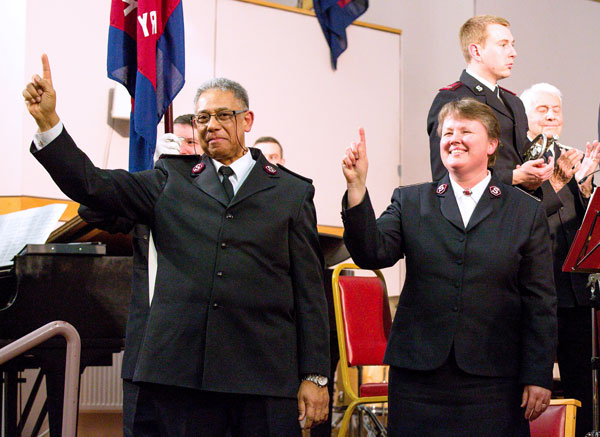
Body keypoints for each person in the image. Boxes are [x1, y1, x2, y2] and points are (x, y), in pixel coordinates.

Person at [23, 54, 330, 436]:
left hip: (263, 377)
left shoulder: (291, 191)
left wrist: (315, 375)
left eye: (223, 115)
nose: (211, 126)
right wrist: (50, 124)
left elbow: (311, 293)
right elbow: (94, 185)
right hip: (187, 380)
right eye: (202, 118)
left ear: (247, 120)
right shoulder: (170, 179)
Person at [342, 98, 557, 436]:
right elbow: (372, 253)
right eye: (448, 132)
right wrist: (356, 189)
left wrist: (538, 375)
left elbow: (540, 301)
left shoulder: (525, 212)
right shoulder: (410, 201)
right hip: (418, 381)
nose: (454, 138)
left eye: (466, 130)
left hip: (494, 382)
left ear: (491, 144)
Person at [520, 82, 600, 437]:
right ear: (526, 117)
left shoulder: (569, 157)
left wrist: (582, 188)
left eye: (556, 110)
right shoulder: (520, 160)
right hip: (539, 291)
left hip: (576, 291)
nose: (551, 116)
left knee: (582, 382)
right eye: (542, 110)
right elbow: (526, 220)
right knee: (532, 383)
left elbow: (578, 228)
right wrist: (557, 183)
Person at [427, 15, 554, 193]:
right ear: (476, 52)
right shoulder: (452, 99)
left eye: (512, 44)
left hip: (519, 206)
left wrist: (544, 162)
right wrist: (515, 176)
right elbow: (444, 174)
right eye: (503, 45)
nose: (513, 52)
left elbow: (522, 150)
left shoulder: (513, 102)